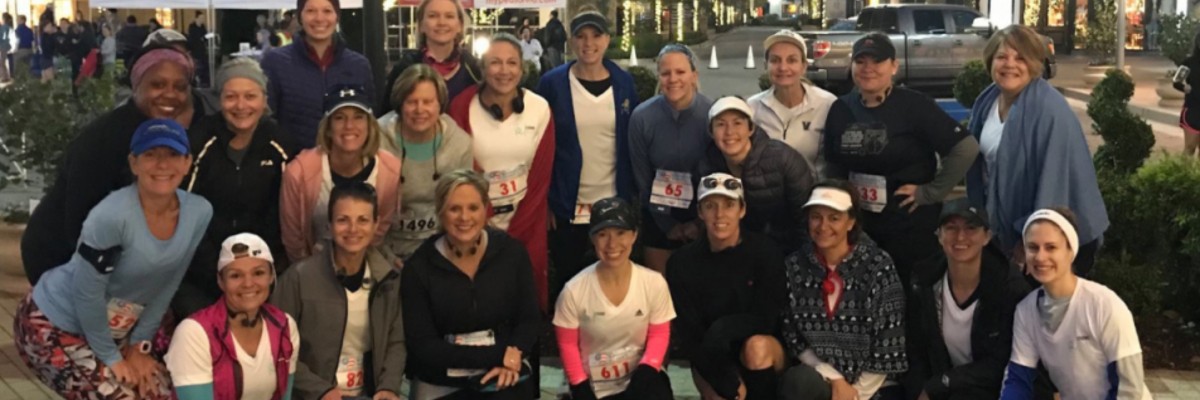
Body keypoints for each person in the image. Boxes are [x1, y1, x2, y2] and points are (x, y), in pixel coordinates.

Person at [13, 119, 213, 400]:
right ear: (134, 163)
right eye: (150, 155)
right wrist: (112, 357)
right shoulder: (110, 216)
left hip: (116, 327)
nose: (162, 164)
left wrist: (139, 346)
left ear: (187, 162)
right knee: (118, 395)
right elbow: (87, 293)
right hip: (55, 321)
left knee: (163, 394)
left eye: (172, 154)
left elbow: (169, 281)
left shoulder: (199, 212)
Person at [21, 44, 198, 285]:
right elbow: (81, 220)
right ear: (136, 86)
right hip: (61, 257)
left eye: (180, 87)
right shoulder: (106, 139)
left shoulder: (165, 132)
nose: (170, 94)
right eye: (157, 85)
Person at [823, 32, 979, 289]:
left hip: (909, 226)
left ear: (894, 66)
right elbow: (833, 166)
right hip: (860, 227)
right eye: (861, 61)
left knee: (909, 295)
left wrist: (932, 192)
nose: (868, 68)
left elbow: (965, 147)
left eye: (877, 61)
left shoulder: (915, 105)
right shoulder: (841, 108)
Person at [966, 25, 1109, 276]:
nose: (1010, 64)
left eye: (1020, 58)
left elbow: (1054, 184)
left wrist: (1030, 241)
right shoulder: (987, 101)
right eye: (1002, 57)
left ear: (1034, 64)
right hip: (1004, 228)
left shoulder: (1050, 110)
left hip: (1051, 240)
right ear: (990, 61)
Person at [401, 170, 541, 399]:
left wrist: (512, 357)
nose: (464, 217)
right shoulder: (418, 268)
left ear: (485, 209)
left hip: (503, 372)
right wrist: (499, 355)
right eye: (454, 209)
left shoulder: (512, 253)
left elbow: (529, 319)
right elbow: (424, 346)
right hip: (442, 377)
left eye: (473, 208)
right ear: (440, 212)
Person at [173, 58, 291, 320]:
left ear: (264, 99)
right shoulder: (200, 141)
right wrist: (219, 271)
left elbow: (286, 213)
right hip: (203, 271)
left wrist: (260, 268)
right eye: (231, 97)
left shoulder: (279, 144)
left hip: (261, 269)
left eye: (250, 96)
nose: (241, 106)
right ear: (219, 100)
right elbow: (182, 209)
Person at [536, 10, 639, 298]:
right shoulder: (553, 84)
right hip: (567, 205)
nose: (588, 43)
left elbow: (631, 141)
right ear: (571, 41)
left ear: (607, 40)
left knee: (611, 281)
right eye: (580, 36)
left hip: (613, 201)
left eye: (596, 35)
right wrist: (546, 201)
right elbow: (539, 144)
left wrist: (632, 196)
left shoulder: (623, 83)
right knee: (569, 285)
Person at [448, 33, 554, 309]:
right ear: (482, 69)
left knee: (523, 300)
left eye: (512, 63)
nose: (504, 71)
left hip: (527, 220)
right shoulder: (462, 107)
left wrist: (519, 228)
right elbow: (458, 172)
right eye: (495, 62)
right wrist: (484, 223)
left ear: (522, 68)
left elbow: (541, 176)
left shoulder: (539, 108)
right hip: (474, 224)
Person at [272, 182, 406, 400]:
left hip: (371, 393)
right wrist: (319, 390)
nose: (353, 229)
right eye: (343, 220)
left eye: (363, 220)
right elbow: (278, 347)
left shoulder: (389, 279)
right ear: (329, 225)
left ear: (376, 224)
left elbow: (396, 341)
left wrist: (388, 386)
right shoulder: (298, 278)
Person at [999, 208, 1150, 399]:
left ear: (1071, 251)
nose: (1040, 257)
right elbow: (1019, 380)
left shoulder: (1104, 304)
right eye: (1033, 247)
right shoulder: (1026, 311)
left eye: (1051, 247)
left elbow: (1129, 388)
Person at [904, 198, 1046, 400]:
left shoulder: (1010, 288)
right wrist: (920, 391)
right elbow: (915, 349)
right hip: (943, 391)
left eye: (971, 228)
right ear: (939, 235)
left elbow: (1004, 362)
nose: (960, 236)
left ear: (987, 237)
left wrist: (942, 383)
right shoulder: (922, 281)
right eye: (951, 228)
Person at [778, 180, 908, 400]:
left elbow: (889, 337)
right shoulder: (794, 266)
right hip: (822, 377)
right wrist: (835, 379)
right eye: (816, 217)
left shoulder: (878, 265)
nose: (823, 226)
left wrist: (856, 395)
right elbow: (792, 334)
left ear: (851, 222)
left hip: (873, 385)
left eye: (834, 218)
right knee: (798, 381)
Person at [666, 173, 789, 400]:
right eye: (710, 206)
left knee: (756, 348)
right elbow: (690, 334)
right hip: (709, 353)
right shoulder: (681, 263)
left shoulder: (766, 252)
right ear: (700, 212)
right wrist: (725, 379)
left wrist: (722, 330)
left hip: (760, 347)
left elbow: (767, 318)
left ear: (742, 210)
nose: (719, 214)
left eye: (729, 205)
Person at [554, 197, 676, 400]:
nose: (612, 244)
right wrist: (579, 385)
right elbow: (567, 345)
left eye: (621, 233)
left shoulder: (654, 283)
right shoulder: (573, 291)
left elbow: (659, 334)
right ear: (593, 239)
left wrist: (646, 371)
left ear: (634, 235)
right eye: (603, 235)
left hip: (640, 379)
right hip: (591, 384)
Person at [165, 233, 300, 400]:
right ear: (221, 281)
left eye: (258, 273)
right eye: (236, 275)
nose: (248, 283)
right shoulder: (194, 333)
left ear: (271, 276)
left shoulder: (285, 326)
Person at [280, 85, 401, 263]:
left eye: (358, 117)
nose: (349, 126)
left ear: (370, 125)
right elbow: (293, 238)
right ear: (328, 127)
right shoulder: (298, 173)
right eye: (339, 118)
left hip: (366, 258)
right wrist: (309, 272)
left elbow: (380, 228)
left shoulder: (389, 168)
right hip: (313, 263)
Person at [629, 44, 714, 273]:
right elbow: (642, 179)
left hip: (704, 213)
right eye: (666, 73)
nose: (673, 79)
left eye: (680, 72)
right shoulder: (642, 118)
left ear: (694, 76)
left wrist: (699, 223)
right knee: (659, 287)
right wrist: (667, 224)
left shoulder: (712, 114)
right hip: (657, 213)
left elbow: (718, 173)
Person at [379, 64, 473, 260]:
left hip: (441, 251)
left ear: (440, 104)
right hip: (383, 250)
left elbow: (464, 209)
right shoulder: (376, 141)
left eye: (428, 102)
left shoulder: (460, 144)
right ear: (400, 103)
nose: (419, 110)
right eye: (412, 102)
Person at [701, 96, 813, 253]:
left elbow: (806, 218)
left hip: (785, 250)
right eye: (720, 124)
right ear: (711, 132)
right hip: (735, 251)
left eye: (737, 123)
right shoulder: (706, 165)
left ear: (751, 128)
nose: (729, 132)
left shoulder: (783, 159)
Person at [262, 0, 375, 151]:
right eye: (311, 11)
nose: (319, 18)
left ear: (337, 16)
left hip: (346, 160)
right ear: (300, 16)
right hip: (292, 160)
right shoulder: (275, 62)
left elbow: (370, 118)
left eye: (327, 11)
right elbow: (266, 119)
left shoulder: (359, 65)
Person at [748, 30, 837, 178]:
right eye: (775, 60)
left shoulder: (827, 104)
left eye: (792, 60)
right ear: (765, 65)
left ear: (804, 66)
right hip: (769, 190)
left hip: (815, 190)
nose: (783, 67)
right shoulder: (753, 107)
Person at [380, 0, 479, 115]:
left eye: (449, 16)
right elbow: (387, 117)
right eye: (433, 16)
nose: (441, 22)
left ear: (460, 25)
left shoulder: (475, 70)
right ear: (421, 25)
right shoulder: (404, 69)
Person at [1175, 31, 1200, 157]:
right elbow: (1176, 82)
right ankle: (1183, 170)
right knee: (1190, 148)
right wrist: (1184, 88)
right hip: (1192, 110)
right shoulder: (1188, 62)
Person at [187, 11, 209, 87]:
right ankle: (196, 81)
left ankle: (203, 81)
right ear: (196, 18)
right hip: (195, 50)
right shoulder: (192, 27)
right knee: (197, 66)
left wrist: (205, 38)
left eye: (203, 18)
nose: (202, 19)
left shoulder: (202, 27)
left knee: (204, 65)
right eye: (201, 18)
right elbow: (192, 38)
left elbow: (205, 36)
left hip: (202, 49)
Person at [14, 15, 33, 79]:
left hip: (21, 50)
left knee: (18, 67)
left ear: (22, 20)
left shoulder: (17, 30)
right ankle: (28, 79)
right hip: (29, 50)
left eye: (18, 20)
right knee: (28, 66)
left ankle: (19, 79)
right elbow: (32, 41)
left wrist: (15, 50)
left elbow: (17, 41)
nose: (16, 21)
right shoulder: (29, 30)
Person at [0, 13, 11, 83]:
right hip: (4, 45)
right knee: (2, 62)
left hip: (3, 46)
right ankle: (5, 76)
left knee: (2, 62)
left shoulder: (4, 27)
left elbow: (3, 37)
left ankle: (4, 76)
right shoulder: (6, 26)